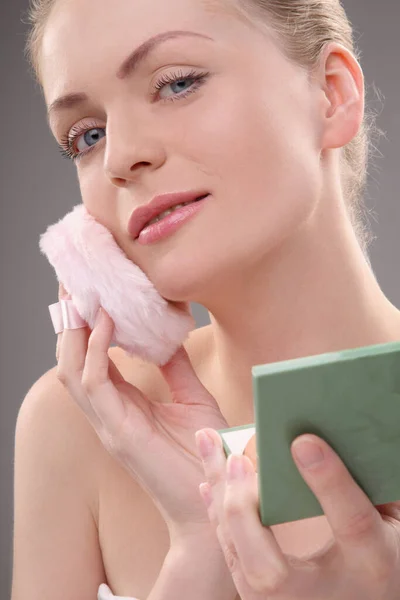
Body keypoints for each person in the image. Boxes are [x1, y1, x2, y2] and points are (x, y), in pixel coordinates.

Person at [12, 0, 400, 598]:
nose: (119, 158)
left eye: (176, 84)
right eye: (87, 135)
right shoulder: (77, 431)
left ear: (332, 94)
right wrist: (199, 550)